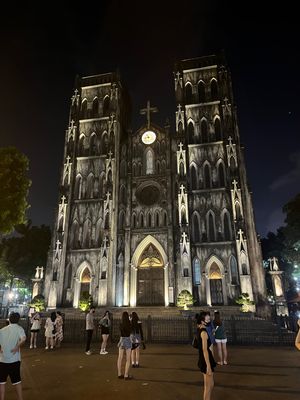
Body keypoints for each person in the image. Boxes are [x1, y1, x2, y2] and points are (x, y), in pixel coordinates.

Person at [0, 312, 26, 400]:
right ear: (18, 320)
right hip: (14, 360)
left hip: (2, 360)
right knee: (17, 381)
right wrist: (17, 347)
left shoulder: (2, 330)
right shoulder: (19, 329)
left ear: (9, 319)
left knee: (1, 382)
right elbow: (23, 339)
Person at [196, 311, 216, 400]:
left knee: (211, 384)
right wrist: (208, 366)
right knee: (207, 387)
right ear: (202, 320)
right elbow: (204, 350)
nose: (209, 318)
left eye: (208, 316)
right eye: (206, 317)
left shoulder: (201, 328)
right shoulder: (203, 332)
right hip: (205, 360)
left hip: (207, 358)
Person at [117, 311, 133, 380]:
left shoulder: (120, 324)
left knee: (120, 358)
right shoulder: (129, 324)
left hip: (122, 339)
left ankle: (119, 374)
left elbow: (121, 333)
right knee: (128, 359)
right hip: (128, 339)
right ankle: (126, 375)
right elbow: (130, 333)